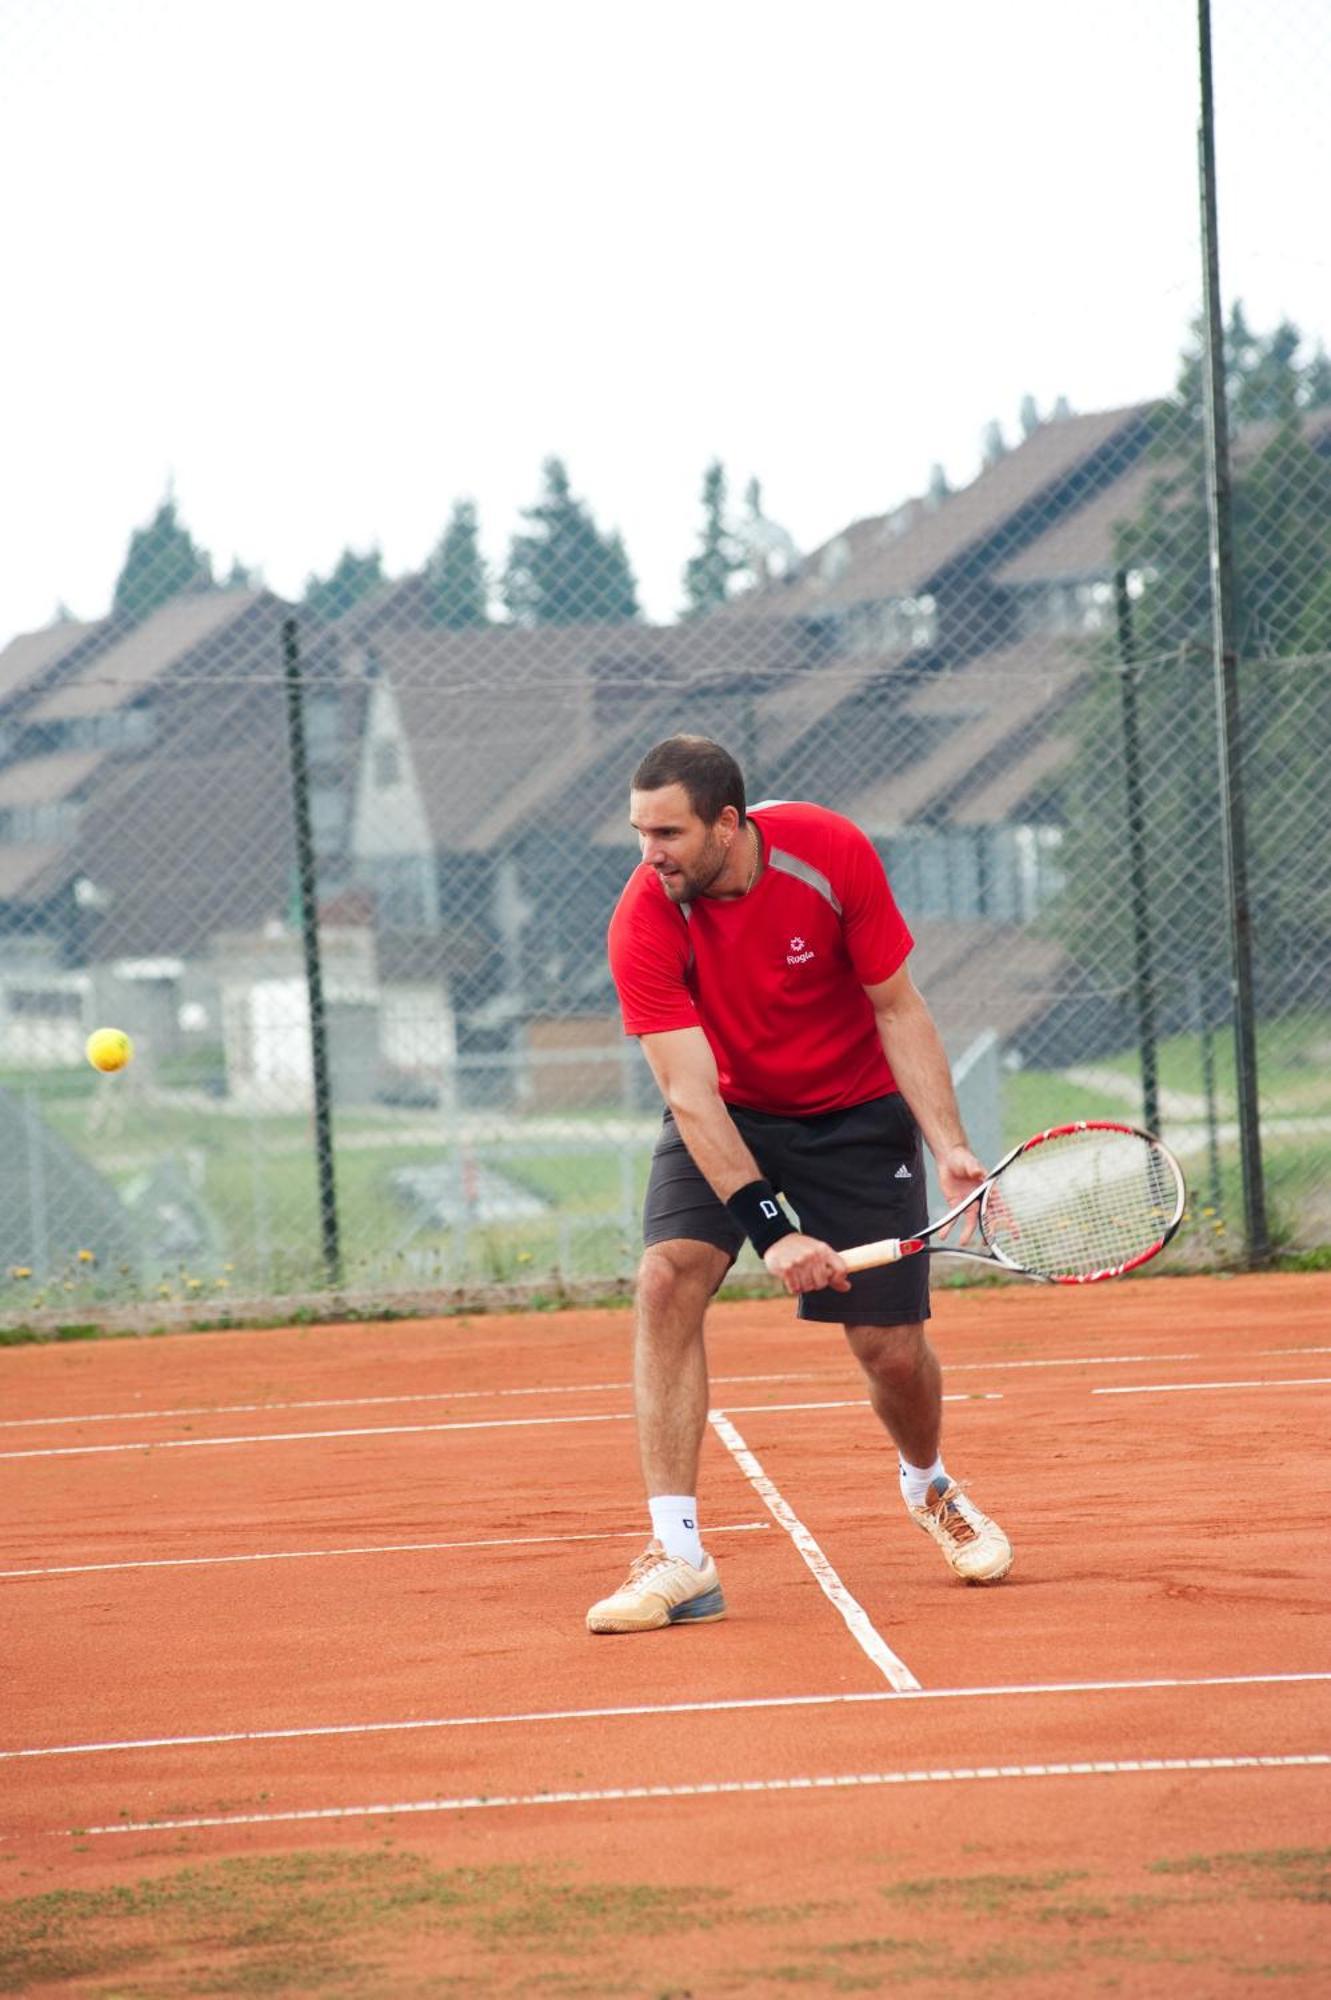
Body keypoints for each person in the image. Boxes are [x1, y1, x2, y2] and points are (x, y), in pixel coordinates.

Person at [587, 734, 1011, 1635]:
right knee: (666, 1278)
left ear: (727, 824)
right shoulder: (644, 917)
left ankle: (929, 1484)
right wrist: (773, 1228)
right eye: (638, 832)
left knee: (888, 1350)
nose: (647, 854)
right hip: (729, 1113)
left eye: (666, 833)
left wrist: (949, 1144)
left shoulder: (828, 852)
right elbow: (688, 1096)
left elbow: (897, 1006)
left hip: (856, 1115)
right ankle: (679, 1554)